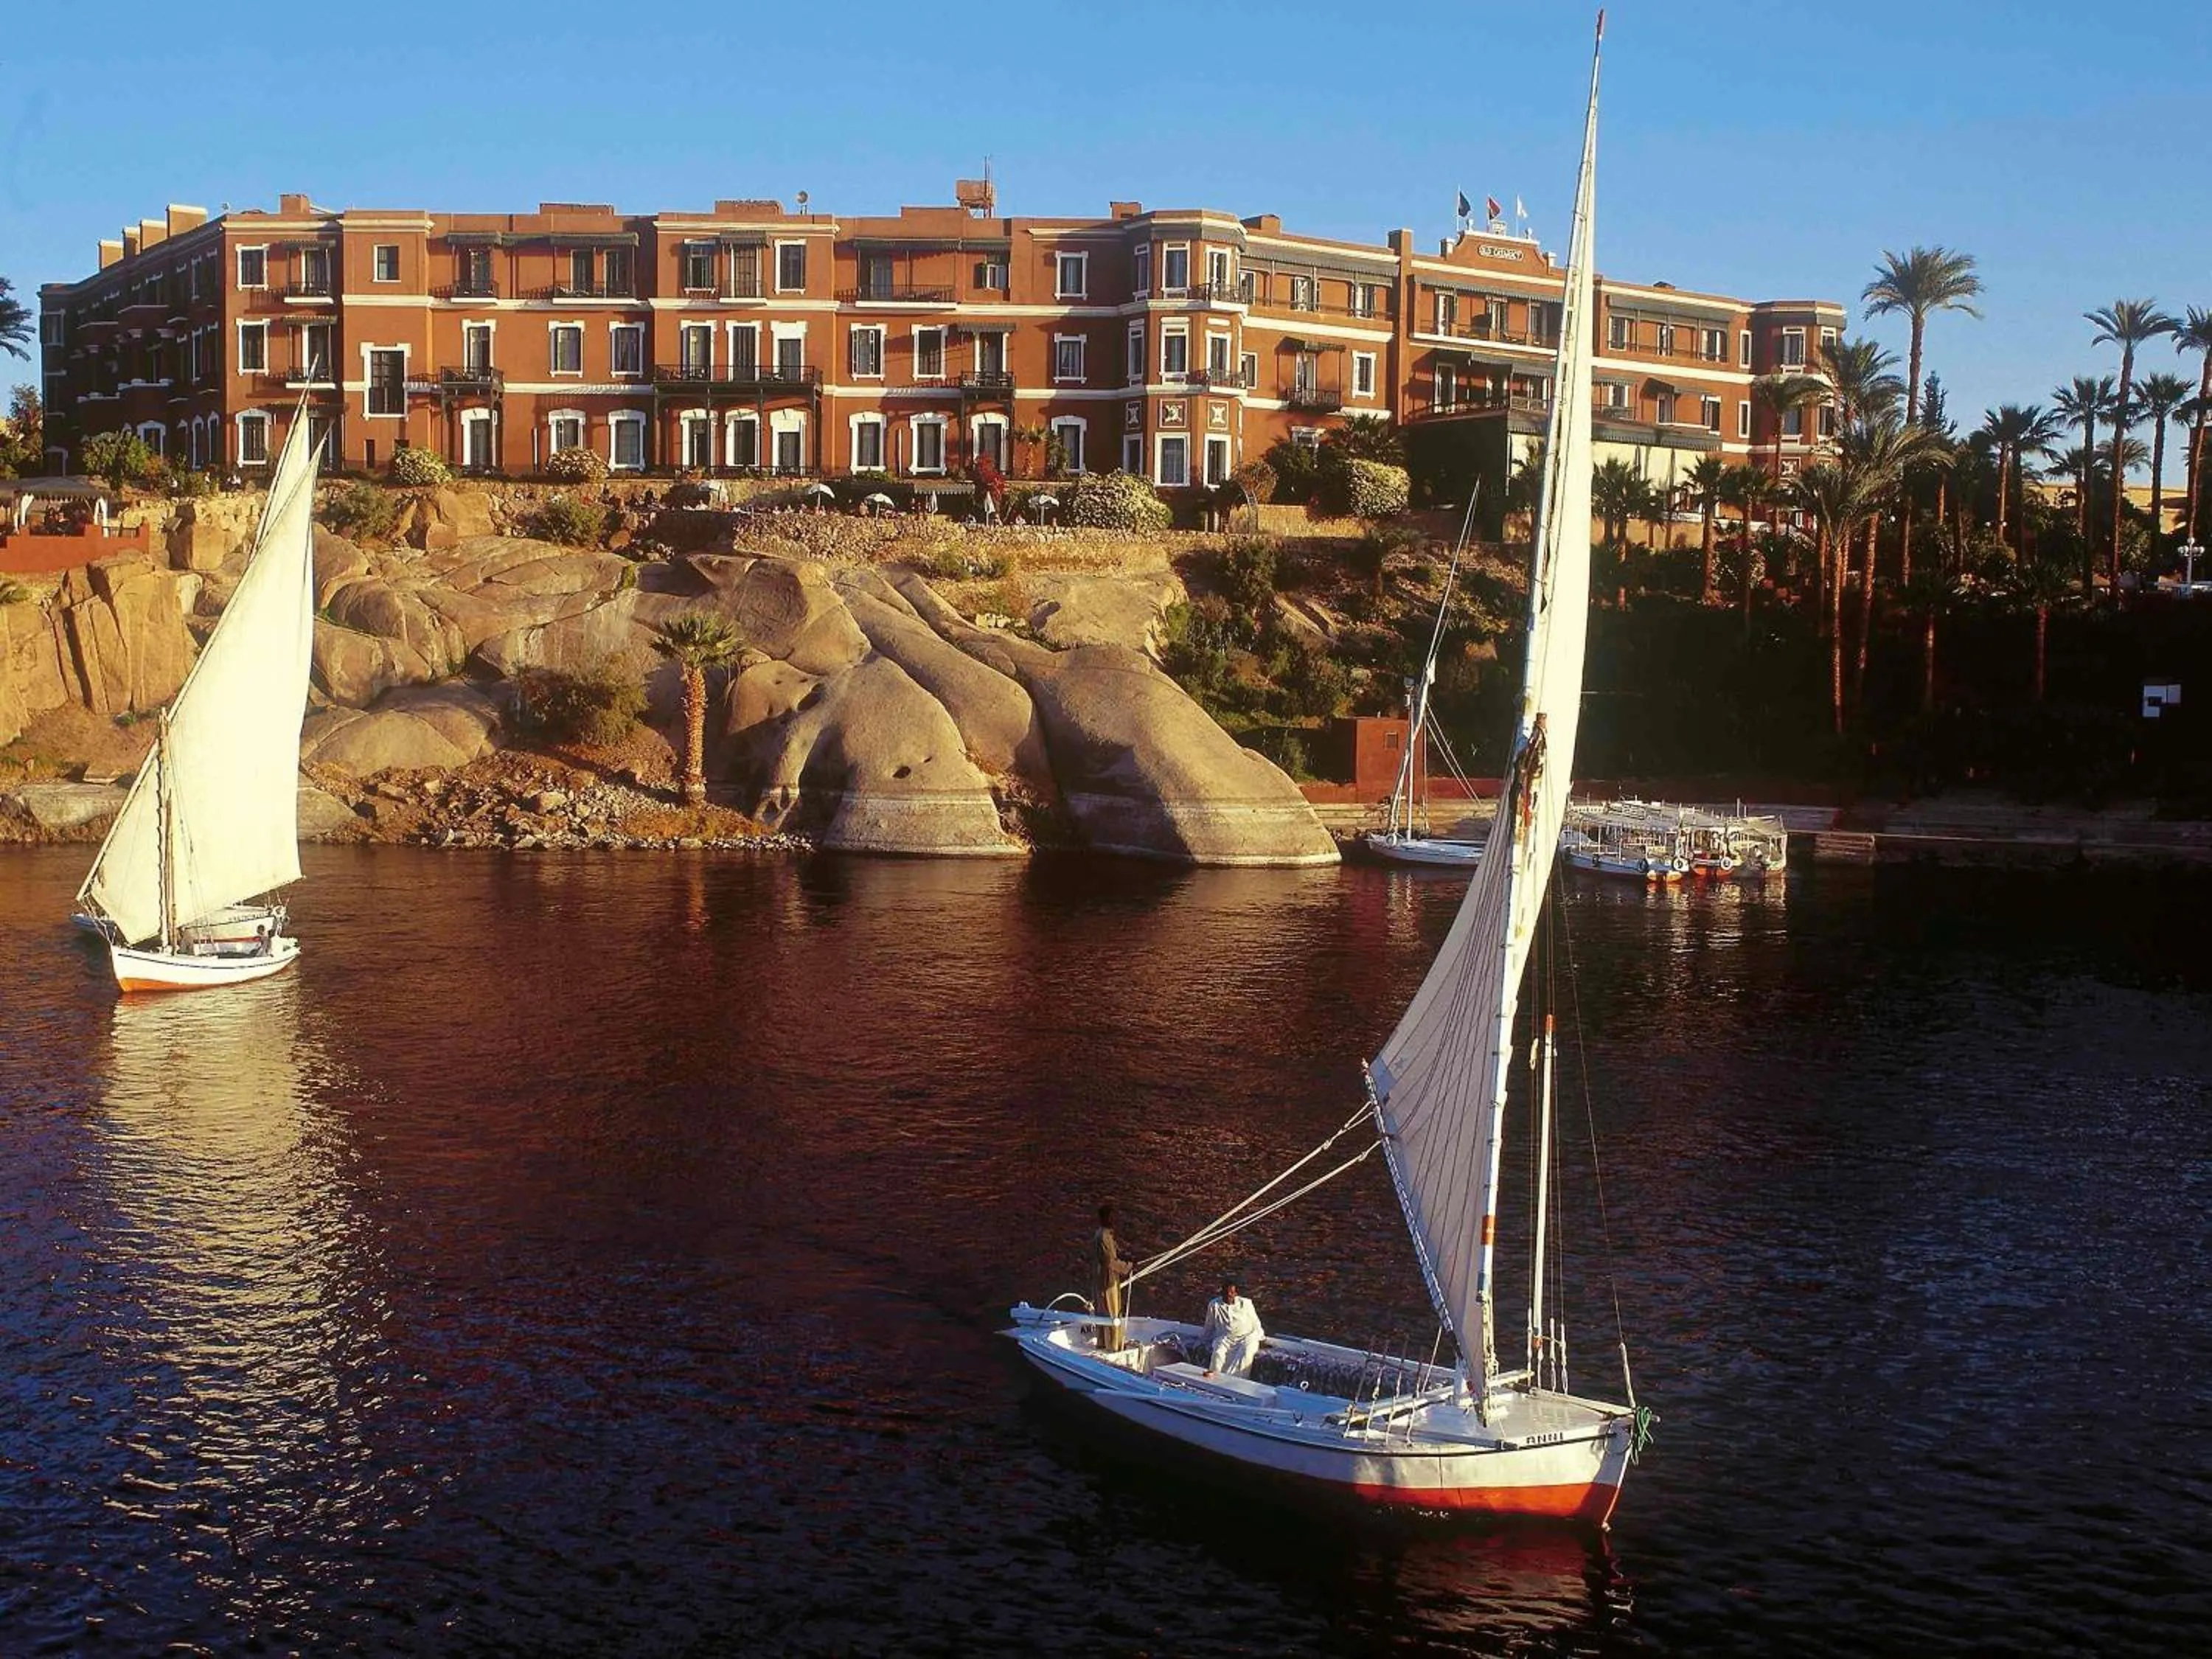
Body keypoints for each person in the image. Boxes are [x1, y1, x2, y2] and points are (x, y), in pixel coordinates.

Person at [1203, 1280, 1264, 1378]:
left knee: (1246, 1352)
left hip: (1246, 1337)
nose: (1228, 1295)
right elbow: (1209, 1325)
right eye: (1226, 1292)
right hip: (1225, 1338)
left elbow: (1256, 1322)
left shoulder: (1246, 1303)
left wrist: (1261, 1338)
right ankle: (1215, 1379)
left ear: (1236, 1293)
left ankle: (1237, 1380)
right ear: (1222, 1292)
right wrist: (1203, 1340)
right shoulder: (1214, 1305)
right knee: (1218, 1353)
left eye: (1231, 1292)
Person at [1091, 1203, 1128, 1352]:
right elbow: (1109, 1262)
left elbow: (1115, 1253)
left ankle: (1103, 1343)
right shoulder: (1103, 1236)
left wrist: (1127, 1259)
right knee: (1112, 1314)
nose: (1114, 1220)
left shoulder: (1105, 1234)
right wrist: (1127, 1267)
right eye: (1112, 1217)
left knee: (1104, 1312)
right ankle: (1113, 1348)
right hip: (1107, 1283)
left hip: (1106, 1281)